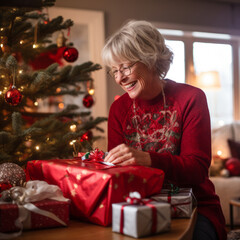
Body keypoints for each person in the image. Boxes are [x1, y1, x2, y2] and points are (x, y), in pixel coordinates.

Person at [102, 20, 227, 240]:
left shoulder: (191, 98)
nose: (119, 78)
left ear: (150, 59)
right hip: (137, 206)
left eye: (126, 67)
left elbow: (197, 169)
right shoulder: (118, 109)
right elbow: (117, 173)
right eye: (114, 71)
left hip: (196, 207)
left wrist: (147, 159)